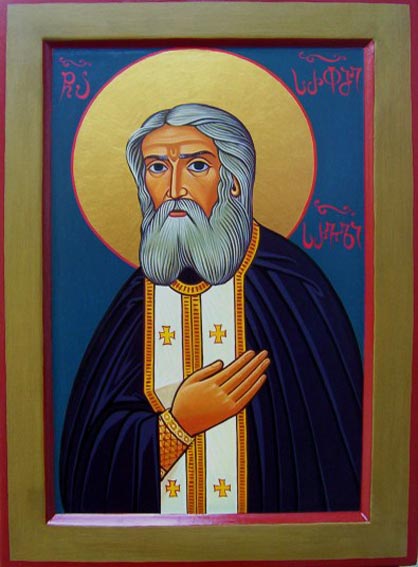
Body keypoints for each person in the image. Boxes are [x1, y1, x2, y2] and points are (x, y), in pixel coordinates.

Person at [60, 103, 363, 514]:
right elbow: (87, 472)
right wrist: (178, 424)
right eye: (157, 168)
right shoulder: (135, 303)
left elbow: (332, 453)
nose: (174, 189)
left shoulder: (294, 290)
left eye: (197, 165)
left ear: (234, 181)